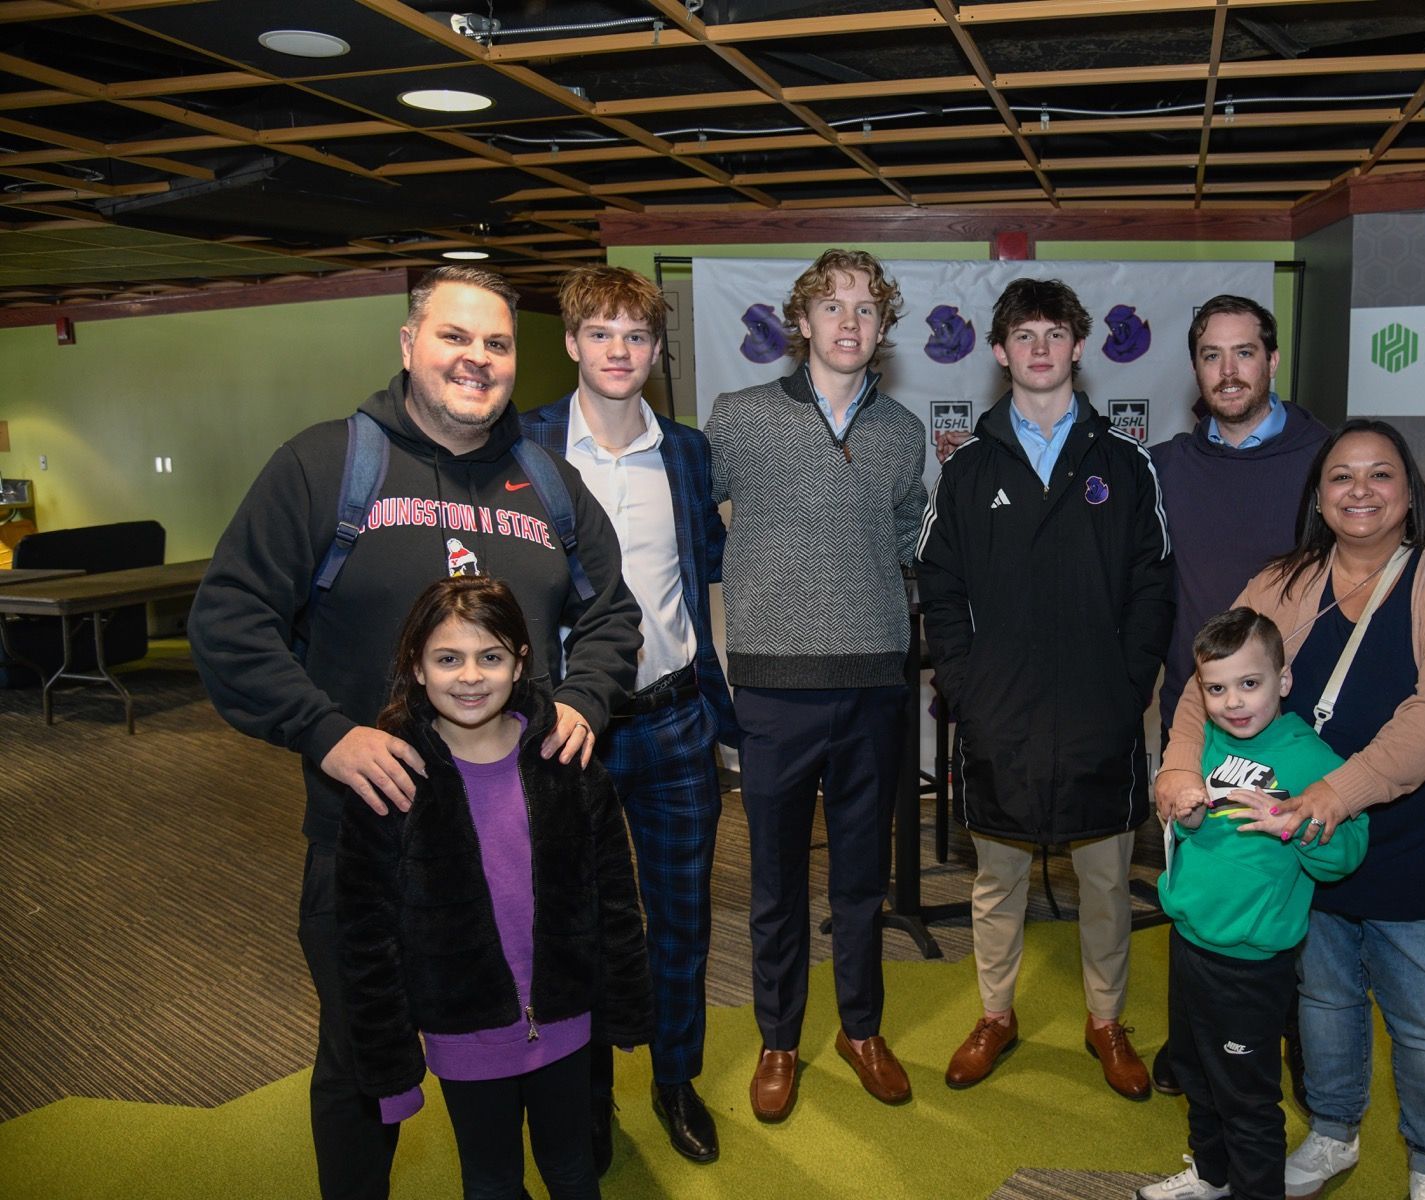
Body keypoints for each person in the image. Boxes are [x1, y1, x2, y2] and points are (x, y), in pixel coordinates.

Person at [189, 266, 641, 1200]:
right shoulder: (327, 467)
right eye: (455, 338)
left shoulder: (548, 483)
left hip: (531, 841)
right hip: (378, 843)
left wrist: (587, 701)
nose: (477, 359)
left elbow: (613, 615)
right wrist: (326, 732)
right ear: (408, 346)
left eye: (498, 343)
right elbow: (228, 621)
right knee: (366, 1058)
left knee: (558, 1028)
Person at [1156, 419, 1425, 1200]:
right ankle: (1331, 1134)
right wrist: (1179, 766)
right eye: (1341, 477)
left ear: (1409, 491)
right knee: (1323, 1004)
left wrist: (1335, 793)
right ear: (1318, 499)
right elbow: (1204, 678)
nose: (1360, 490)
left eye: (1379, 475)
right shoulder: (1284, 584)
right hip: (1300, 856)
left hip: (1417, 844)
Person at [916, 277, 1173, 1101]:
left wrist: (1126, 685)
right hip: (1002, 718)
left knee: (1105, 883)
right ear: (1000, 352)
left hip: (1099, 714)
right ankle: (996, 1015)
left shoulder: (1125, 464)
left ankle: (1106, 1020)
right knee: (998, 882)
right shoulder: (967, 469)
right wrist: (965, 686)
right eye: (1023, 334)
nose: (1038, 348)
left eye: (1054, 333)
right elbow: (939, 584)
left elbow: (1154, 586)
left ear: (1076, 347)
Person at [337, 576, 651, 1200]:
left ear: (520, 663)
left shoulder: (568, 761)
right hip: (464, 1035)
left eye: (491, 657)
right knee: (491, 1180)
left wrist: (624, 1007)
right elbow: (366, 941)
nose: (471, 676)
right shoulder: (392, 782)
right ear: (417, 669)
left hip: (566, 1022)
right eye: (447, 658)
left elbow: (615, 897)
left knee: (572, 1169)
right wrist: (392, 1072)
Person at [705, 248, 928, 1121]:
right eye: (832, 307)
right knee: (774, 881)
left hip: (874, 681)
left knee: (862, 880)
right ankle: (779, 1037)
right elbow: (694, 521)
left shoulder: (904, 433)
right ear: (801, 322)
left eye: (867, 309)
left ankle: (861, 1028)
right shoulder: (738, 419)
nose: (849, 322)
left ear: (882, 328)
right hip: (771, 687)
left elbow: (908, 538)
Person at [520, 266, 736, 1166]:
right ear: (571, 342)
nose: (619, 352)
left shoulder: (685, 452)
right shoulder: (522, 448)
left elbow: (710, 567)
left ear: (655, 353)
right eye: (601, 333)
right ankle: (592, 1093)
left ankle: (675, 1079)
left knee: (682, 918)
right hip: (568, 733)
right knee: (577, 921)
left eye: (636, 337)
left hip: (676, 719)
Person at [1145, 294, 1328, 1096]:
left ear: (1273, 359)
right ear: (1196, 367)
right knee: (1199, 879)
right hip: (1197, 713)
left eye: (1245, 352)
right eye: (1213, 356)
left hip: (1297, 713)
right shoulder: (1167, 468)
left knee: (1295, 887)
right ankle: (1193, 1046)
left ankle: (1297, 1046)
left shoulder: (1327, 459)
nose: (1229, 370)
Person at [1138, 607, 1367, 1200]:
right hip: (1189, 943)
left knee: (1245, 1096)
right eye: (1216, 688)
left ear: (1282, 682)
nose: (1233, 702)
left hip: (1250, 964)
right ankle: (1212, 1177)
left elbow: (1345, 855)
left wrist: (1291, 823)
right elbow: (1198, 836)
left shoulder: (1312, 759)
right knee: (1194, 1073)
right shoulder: (1207, 744)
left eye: (1249, 683)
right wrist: (1186, 818)